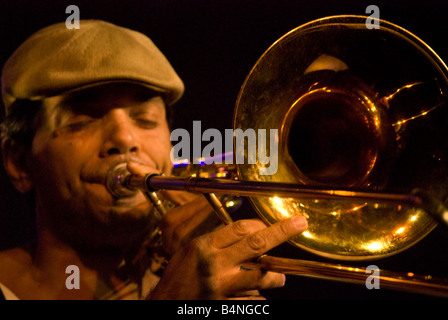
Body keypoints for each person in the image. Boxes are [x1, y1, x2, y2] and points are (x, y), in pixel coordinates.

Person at [0, 20, 307, 300]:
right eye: (83, 119)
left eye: (145, 120)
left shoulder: (195, 271)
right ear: (19, 163)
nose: (125, 139)